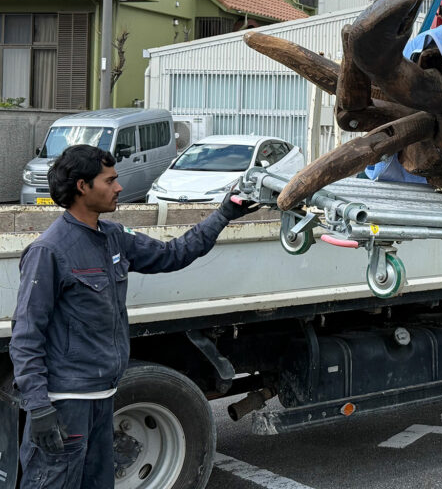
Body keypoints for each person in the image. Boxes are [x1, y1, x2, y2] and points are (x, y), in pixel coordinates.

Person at [10, 144, 260, 489]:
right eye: (110, 180)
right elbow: (26, 336)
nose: (119, 187)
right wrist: (38, 406)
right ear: (83, 186)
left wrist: (223, 215)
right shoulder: (49, 251)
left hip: (103, 397)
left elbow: (173, 255)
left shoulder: (113, 237)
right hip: (66, 404)